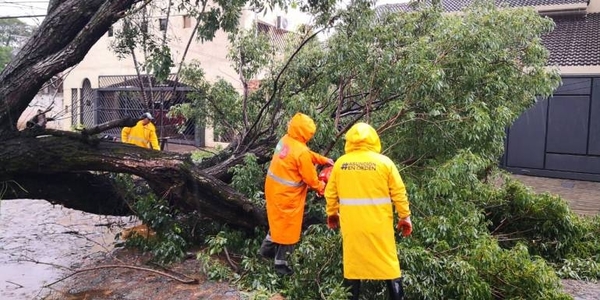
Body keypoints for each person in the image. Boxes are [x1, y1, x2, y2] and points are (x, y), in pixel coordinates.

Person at [324, 122, 412, 300]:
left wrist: (332, 213)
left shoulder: (341, 164)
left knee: (353, 267)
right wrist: (405, 216)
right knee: (389, 265)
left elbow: (330, 193)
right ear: (374, 139)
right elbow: (399, 192)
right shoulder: (384, 163)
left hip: (353, 227)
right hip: (379, 227)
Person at [259, 112, 334, 276]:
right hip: (287, 196)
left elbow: (305, 154)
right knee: (289, 231)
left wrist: (322, 160)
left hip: (274, 190)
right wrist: (324, 188)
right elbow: (311, 179)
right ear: (305, 133)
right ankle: (281, 267)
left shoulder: (286, 140)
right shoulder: (300, 152)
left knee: (277, 223)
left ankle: (264, 253)